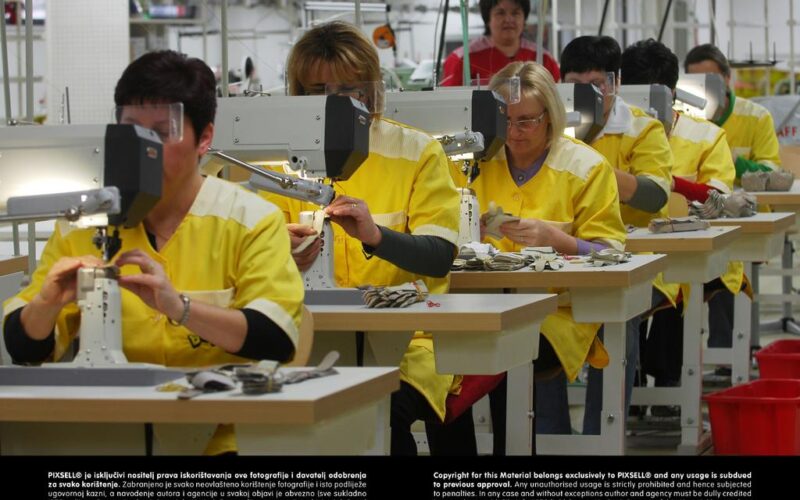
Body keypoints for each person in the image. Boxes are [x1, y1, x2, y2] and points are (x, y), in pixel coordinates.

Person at [2, 50, 305, 455]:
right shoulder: (85, 222)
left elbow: (276, 337)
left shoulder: (251, 220)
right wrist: (48, 303)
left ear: (205, 138)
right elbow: (24, 346)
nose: (142, 148)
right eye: (131, 131)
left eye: (162, 133)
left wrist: (180, 308)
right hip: (112, 435)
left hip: (223, 436)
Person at [265, 21, 462, 455]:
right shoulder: (278, 162)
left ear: (371, 92)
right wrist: (280, 251)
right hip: (309, 339)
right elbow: (251, 257)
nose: (332, 103)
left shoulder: (416, 152)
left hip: (407, 342)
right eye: (318, 91)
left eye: (347, 90)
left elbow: (439, 256)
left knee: (377, 414)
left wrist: (375, 236)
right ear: (297, 93)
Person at [438, 61, 625, 451]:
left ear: (551, 116)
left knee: (506, 359)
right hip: (477, 307)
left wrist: (559, 240)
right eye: (504, 121)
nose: (513, 133)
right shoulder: (474, 163)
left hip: (554, 313)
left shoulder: (586, 168)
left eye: (526, 121)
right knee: (435, 369)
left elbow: (611, 253)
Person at [559, 35, 675, 435]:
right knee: (535, 322)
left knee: (617, 315)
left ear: (616, 83)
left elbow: (655, 195)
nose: (588, 95)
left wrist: (591, 167)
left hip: (634, 262)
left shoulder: (643, 128)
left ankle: (602, 435)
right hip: (566, 257)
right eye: (575, 86)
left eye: (596, 84)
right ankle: (548, 437)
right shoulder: (549, 128)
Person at [621, 39, 738, 416]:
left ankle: (664, 381)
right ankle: (627, 383)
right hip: (622, 250)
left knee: (674, 290)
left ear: (672, 93)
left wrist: (666, 184)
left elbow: (719, 200)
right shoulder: (610, 135)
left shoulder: (706, 136)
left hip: (682, 254)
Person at [685, 44, 781, 363]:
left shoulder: (755, 117)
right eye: (695, 81)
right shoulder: (683, 118)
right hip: (696, 217)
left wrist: (729, 161)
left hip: (743, 221)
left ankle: (727, 355)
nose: (704, 88)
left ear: (728, 79)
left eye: (711, 79)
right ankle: (677, 365)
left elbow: (770, 171)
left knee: (726, 265)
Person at [441, 0, 560, 86]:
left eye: (515, 13)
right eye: (500, 13)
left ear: (524, 18)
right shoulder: (462, 59)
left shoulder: (543, 59)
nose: (508, 19)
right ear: (487, 18)